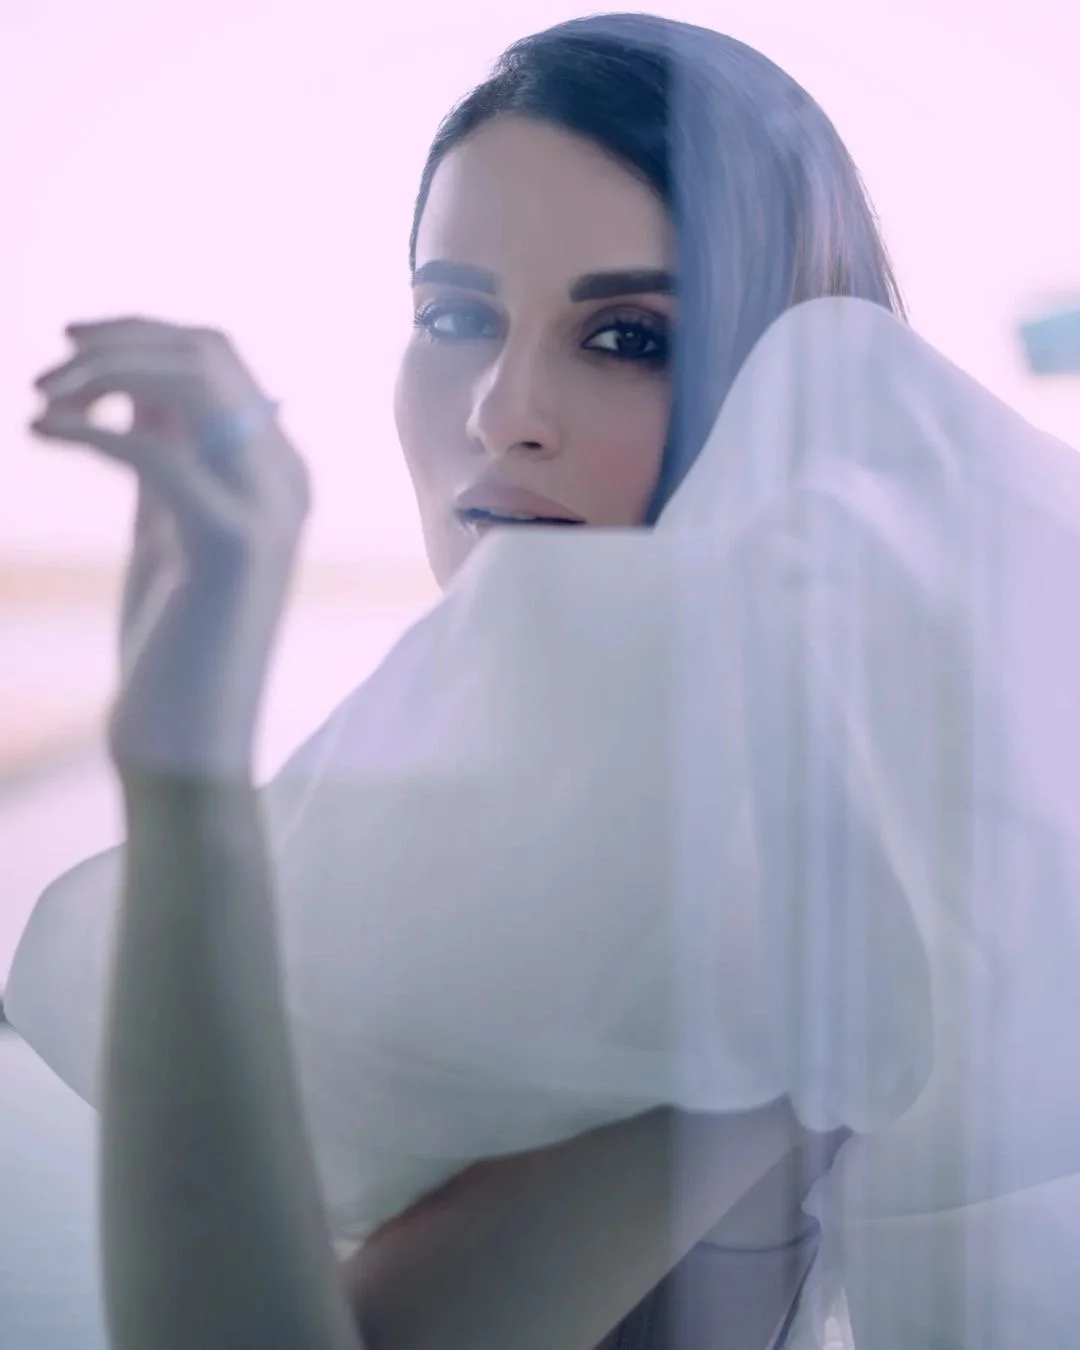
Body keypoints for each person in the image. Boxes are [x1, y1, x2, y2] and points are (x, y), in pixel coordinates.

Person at [8, 12, 1080, 1350]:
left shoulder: (761, 884)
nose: (502, 409)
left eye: (626, 336)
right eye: (455, 315)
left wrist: (183, 776)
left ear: (772, 394)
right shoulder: (551, 811)